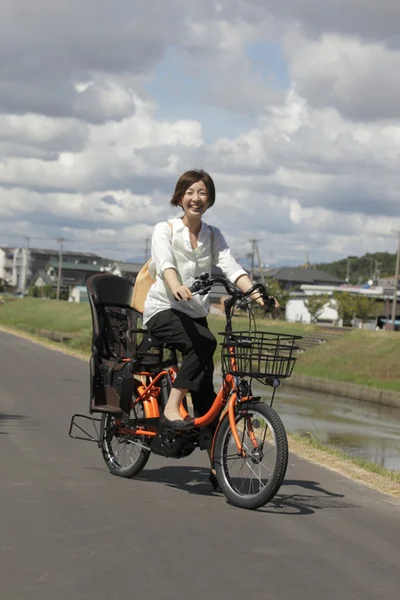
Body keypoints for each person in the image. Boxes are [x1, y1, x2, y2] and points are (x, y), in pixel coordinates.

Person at [143, 169, 276, 433]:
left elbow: (231, 267)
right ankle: (172, 408)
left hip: (193, 313)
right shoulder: (165, 229)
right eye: (190, 192)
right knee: (205, 343)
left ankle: (213, 457)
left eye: (202, 193)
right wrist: (175, 285)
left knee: (204, 382)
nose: (196, 198)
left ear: (210, 199)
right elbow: (165, 262)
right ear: (179, 198)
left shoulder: (213, 235)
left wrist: (258, 294)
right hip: (163, 309)